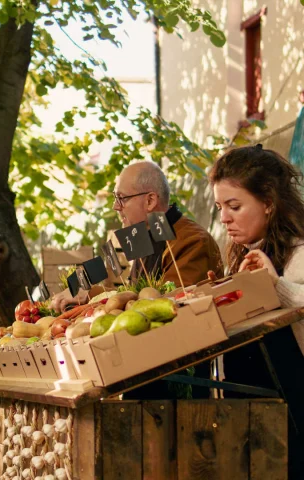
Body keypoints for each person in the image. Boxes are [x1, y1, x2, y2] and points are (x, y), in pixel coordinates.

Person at [210, 144, 304, 478]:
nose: (224, 218)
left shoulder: (299, 255)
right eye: (221, 207)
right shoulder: (244, 255)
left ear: (268, 203)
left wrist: (276, 285)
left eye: (234, 206)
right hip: (255, 426)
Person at [51, 161, 223, 312]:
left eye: (121, 198)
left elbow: (167, 305)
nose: (115, 207)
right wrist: (87, 293)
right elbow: (132, 292)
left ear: (150, 201)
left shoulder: (193, 241)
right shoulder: (145, 236)